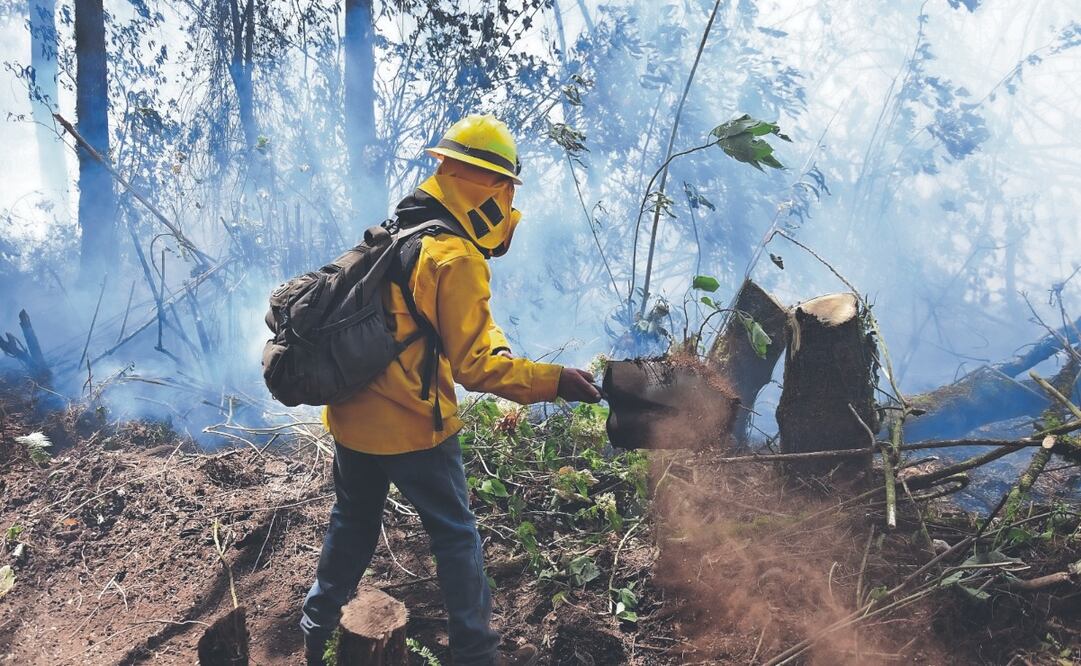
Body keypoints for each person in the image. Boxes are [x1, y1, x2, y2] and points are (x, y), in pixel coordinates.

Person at [300, 114, 602, 666]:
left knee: (352, 524)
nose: (510, 206)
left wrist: (503, 351)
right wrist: (556, 380)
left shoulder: (403, 229)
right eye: (508, 190)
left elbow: (439, 327)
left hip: (350, 419)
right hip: (415, 430)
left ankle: (316, 633)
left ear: (447, 170)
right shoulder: (456, 257)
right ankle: (475, 654)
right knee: (457, 537)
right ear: (493, 187)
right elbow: (476, 368)